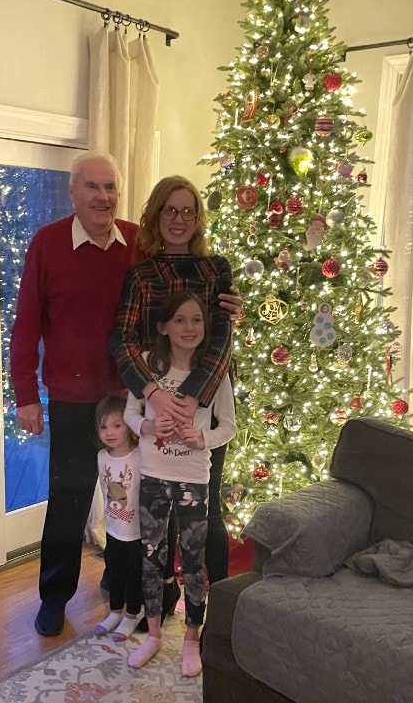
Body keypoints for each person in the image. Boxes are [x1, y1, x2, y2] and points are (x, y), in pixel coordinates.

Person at [9, 153, 240, 638]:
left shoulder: (140, 242)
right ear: (72, 193)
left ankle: (129, 587)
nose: (103, 197)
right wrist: (26, 394)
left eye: (111, 187)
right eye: (92, 187)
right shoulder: (47, 243)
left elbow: (185, 295)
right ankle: (54, 596)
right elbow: (26, 323)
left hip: (133, 397)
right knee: (69, 498)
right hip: (73, 397)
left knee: (137, 499)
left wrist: (229, 307)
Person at [110, 175, 236, 594]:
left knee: (208, 506)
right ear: (156, 215)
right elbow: (123, 339)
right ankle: (159, 597)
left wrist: (191, 397)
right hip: (156, 398)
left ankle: (214, 604)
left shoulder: (215, 269)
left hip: (206, 402)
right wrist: (155, 394)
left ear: (198, 218)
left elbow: (220, 339)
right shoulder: (142, 274)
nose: (178, 219)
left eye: (188, 211)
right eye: (170, 210)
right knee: (157, 507)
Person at [123, 291, 236, 675]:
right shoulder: (148, 371)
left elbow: (230, 427)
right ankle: (154, 635)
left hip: (193, 481)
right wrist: (147, 426)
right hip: (154, 476)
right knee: (151, 558)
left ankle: (191, 638)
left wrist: (202, 439)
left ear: (207, 328)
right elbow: (129, 411)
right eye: (180, 320)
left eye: (197, 320)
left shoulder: (214, 377)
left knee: (192, 561)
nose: (189, 328)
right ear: (163, 326)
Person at [94, 394, 143, 641]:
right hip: (113, 530)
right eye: (103, 426)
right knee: (114, 572)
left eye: (117, 425)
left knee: (135, 576)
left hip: (137, 533)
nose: (109, 432)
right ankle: (115, 612)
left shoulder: (139, 456)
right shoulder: (102, 457)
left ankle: (132, 616)